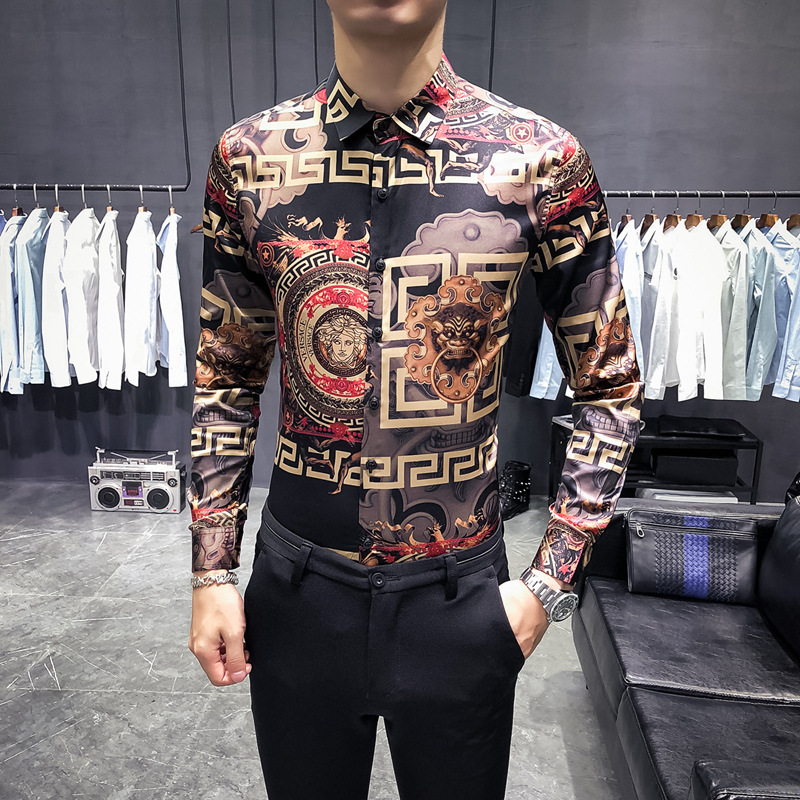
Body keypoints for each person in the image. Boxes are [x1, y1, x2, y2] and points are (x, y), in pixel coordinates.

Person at [187, 1, 643, 797]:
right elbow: (226, 377)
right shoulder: (248, 158)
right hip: (298, 599)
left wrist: (549, 584)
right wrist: (211, 571)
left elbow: (610, 385)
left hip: (461, 604)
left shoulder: (539, 159)